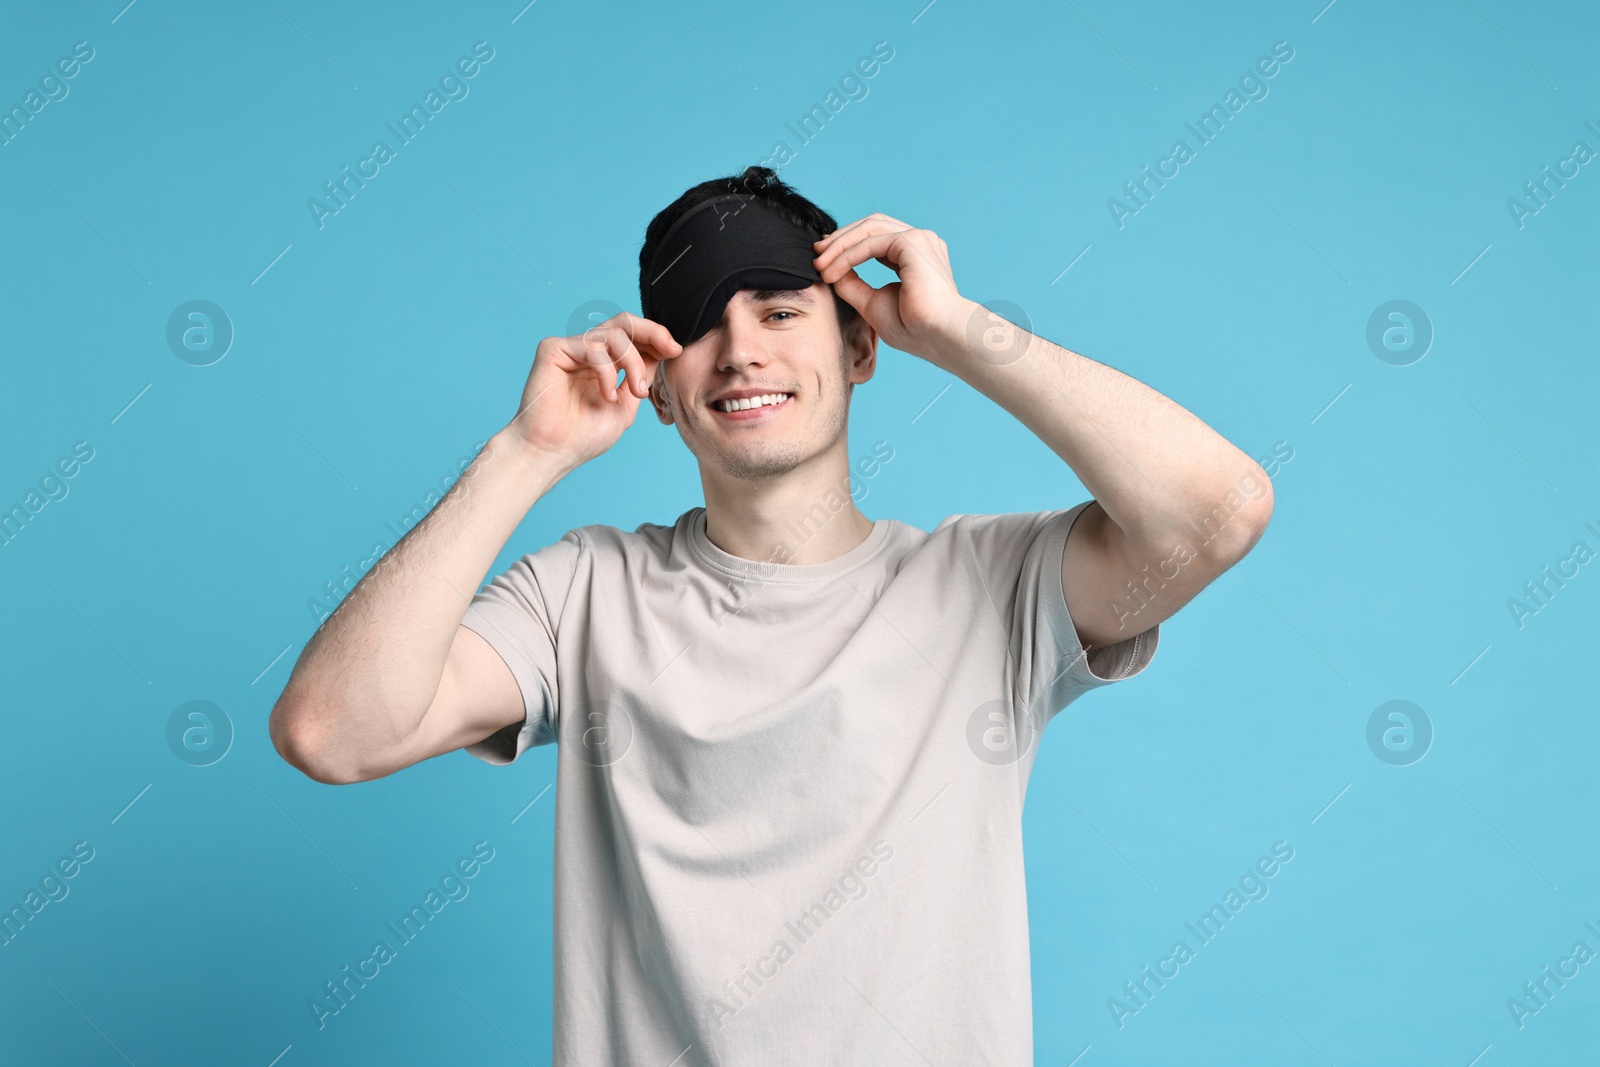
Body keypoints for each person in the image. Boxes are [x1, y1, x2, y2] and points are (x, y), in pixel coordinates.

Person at [268, 165, 1273, 1065]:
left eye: (781, 311)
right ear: (658, 385)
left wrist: (960, 330)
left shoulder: (993, 587)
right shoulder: (583, 595)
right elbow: (333, 730)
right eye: (700, 324)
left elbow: (1218, 513)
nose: (740, 350)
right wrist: (528, 451)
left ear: (862, 349)